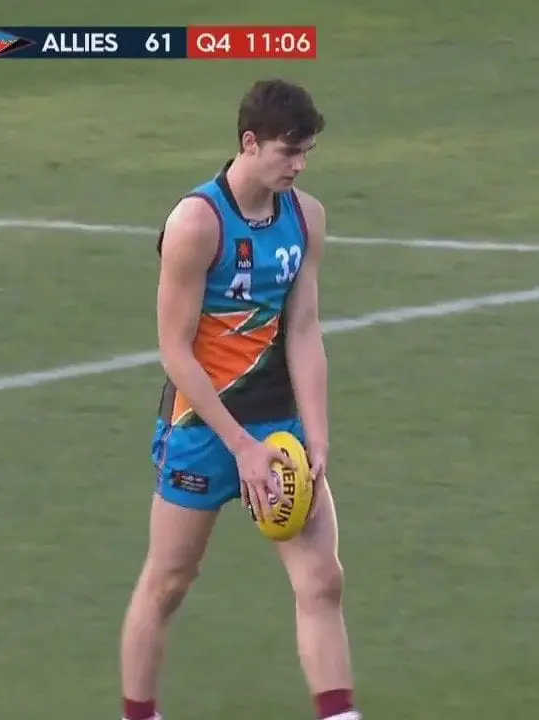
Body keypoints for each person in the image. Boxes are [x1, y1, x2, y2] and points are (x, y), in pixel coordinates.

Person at [119, 79, 361, 720]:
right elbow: (175, 350)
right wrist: (241, 447)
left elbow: (303, 327)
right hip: (203, 428)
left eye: (306, 152)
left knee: (322, 580)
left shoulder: (305, 217)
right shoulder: (197, 222)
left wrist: (317, 434)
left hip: (279, 426)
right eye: (289, 151)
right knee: (169, 582)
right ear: (250, 143)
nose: (299, 165)